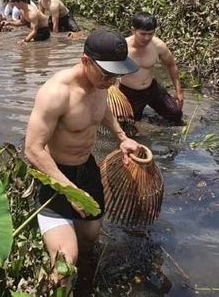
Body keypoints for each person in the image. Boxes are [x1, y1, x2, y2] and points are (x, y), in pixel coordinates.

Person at [25, 29, 143, 287]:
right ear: (85, 61)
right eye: (107, 74)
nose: (112, 82)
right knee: (67, 261)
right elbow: (33, 149)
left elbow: (101, 112)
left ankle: (87, 283)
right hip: (54, 176)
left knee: (89, 238)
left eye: (117, 74)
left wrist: (123, 138)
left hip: (86, 169)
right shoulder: (56, 93)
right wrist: (69, 191)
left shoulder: (101, 84)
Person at [118, 12, 183, 124]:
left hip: (151, 88)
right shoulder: (122, 47)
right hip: (128, 91)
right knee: (128, 123)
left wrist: (179, 91)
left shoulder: (158, 46)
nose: (146, 38)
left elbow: (171, 65)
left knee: (176, 113)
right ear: (133, 30)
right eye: (142, 34)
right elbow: (107, 73)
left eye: (150, 34)